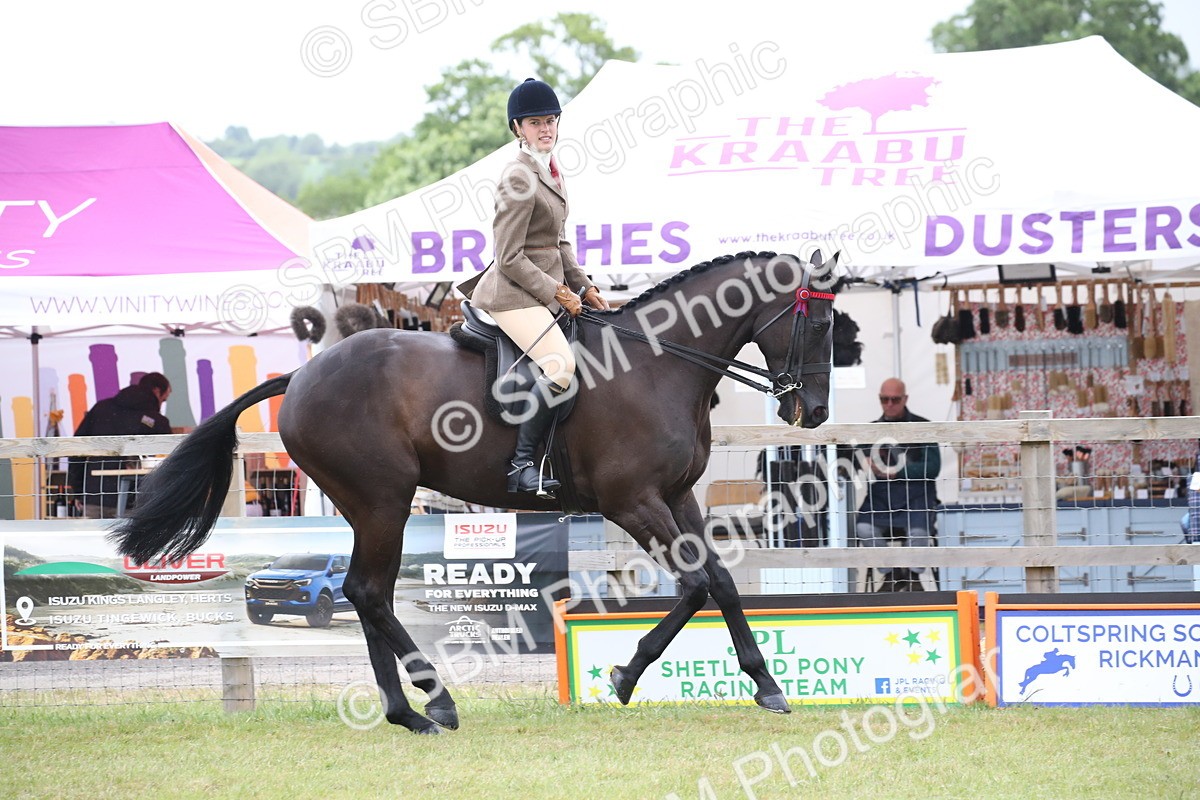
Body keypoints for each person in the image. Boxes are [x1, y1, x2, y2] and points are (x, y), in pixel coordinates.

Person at [458, 77, 610, 498]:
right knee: (561, 367)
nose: (545, 128)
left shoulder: (551, 171)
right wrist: (558, 293)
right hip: (511, 293)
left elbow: (557, 243)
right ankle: (522, 465)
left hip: (540, 288)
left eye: (551, 120)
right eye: (535, 122)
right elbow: (508, 257)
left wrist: (585, 287)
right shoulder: (518, 178)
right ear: (517, 129)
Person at [855, 377, 941, 591]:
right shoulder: (870, 431)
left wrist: (896, 472)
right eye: (885, 399)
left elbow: (933, 467)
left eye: (894, 399)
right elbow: (855, 460)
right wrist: (864, 463)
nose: (890, 404)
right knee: (863, 527)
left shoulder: (924, 427)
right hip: (882, 496)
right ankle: (891, 573)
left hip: (918, 495)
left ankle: (913, 577)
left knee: (920, 532)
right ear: (879, 399)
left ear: (905, 399)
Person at [67, 372, 172, 518]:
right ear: (156, 391)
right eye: (164, 399)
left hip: (95, 496)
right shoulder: (157, 422)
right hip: (138, 502)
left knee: (92, 540)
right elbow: (168, 464)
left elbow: (76, 450)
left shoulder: (100, 409)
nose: (161, 405)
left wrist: (79, 491)